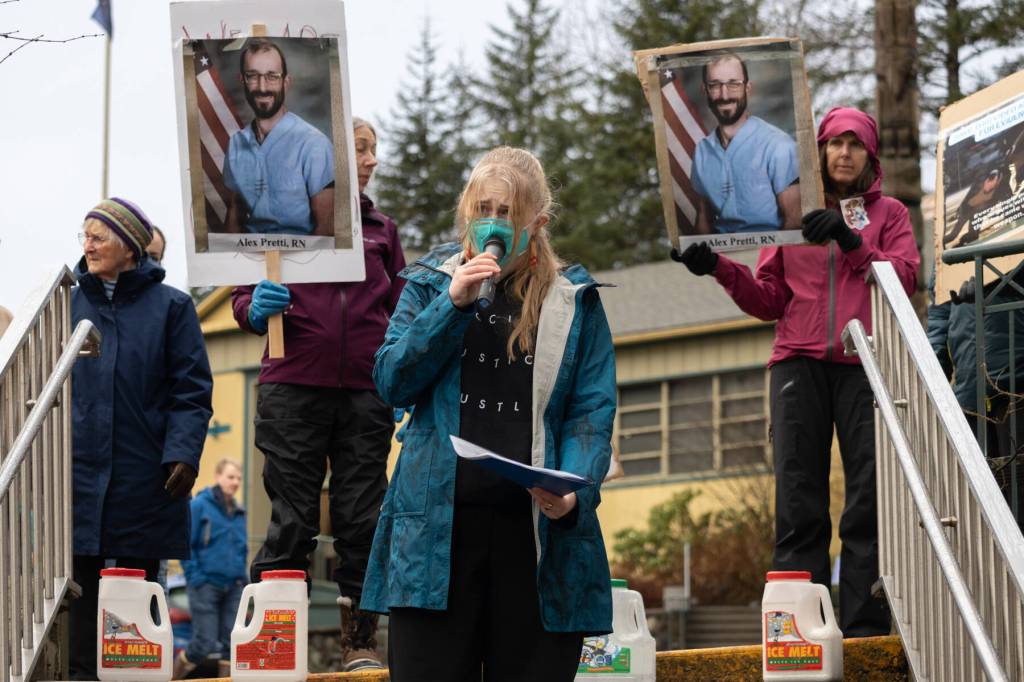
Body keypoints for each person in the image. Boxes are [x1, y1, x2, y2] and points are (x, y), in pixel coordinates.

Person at [361, 146, 618, 681]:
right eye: (483, 210)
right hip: (435, 539)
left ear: (537, 222)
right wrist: (450, 304)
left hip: (535, 541)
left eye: (508, 213)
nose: (493, 224)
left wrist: (574, 492)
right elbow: (391, 382)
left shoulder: (574, 300)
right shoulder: (431, 281)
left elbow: (590, 411)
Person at [673, 107, 919, 637]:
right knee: (798, 500)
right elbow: (769, 300)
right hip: (796, 363)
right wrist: (718, 267)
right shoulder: (787, 215)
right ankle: (799, 630)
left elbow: (904, 281)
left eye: (856, 145)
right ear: (820, 153)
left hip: (866, 363)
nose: (845, 153)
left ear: (870, 157)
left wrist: (853, 242)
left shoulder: (891, 214)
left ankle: (863, 631)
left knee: (868, 499)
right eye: (835, 144)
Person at [231, 117, 404, 671]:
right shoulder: (279, 222)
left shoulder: (382, 229)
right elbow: (240, 295)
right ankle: (275, 641)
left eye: (374, 149)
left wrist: (402, 371)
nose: (373, 159)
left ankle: (359, 642)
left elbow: (401, 309)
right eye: (360, 149)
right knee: (294, 517)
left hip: (365, 392)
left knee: (362, 517)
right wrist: (254, 306)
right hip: (292, 386)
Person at [70, 198, 213, 679]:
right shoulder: (66, 301)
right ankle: (81, 673)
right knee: (78, 584)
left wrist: (183, 454)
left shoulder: (173, 307)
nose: (87, 246)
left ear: (130, 247)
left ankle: (136, 674)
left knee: (137, 585)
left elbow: (191, 392)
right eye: (84, 236)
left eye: (98, 237)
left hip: (144, 468)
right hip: (76, 470)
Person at [223, 37, 334, 236]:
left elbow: (326, 230)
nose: (262, 87)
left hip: (300, 261)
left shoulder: (314, 144)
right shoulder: (236, 144)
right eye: (253, 76)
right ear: (242, 80)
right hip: (250, 261)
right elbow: (234, 217)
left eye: (272, 76)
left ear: (286, 82)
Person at [691, 53, 801, 235]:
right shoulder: (702, 151)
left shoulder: (779, 145)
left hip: (767, 254)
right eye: (715, 85)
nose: (724, 95)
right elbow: (704, 218)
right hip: (722, 257)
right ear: (705, 90)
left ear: (748, 88)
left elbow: (794, 221)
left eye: (734, 84)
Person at [174, 458, 248, 679]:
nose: (235, 482)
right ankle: (172, 677)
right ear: (218, 476)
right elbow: (186, 543)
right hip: (205, 585)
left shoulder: (239, 511)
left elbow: (242, 549)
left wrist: (242, 580)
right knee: (204, 643)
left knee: (231, 643)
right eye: (230, 476)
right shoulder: (199, 505)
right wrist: (196, 577)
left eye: (238, 478)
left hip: (234, 586)